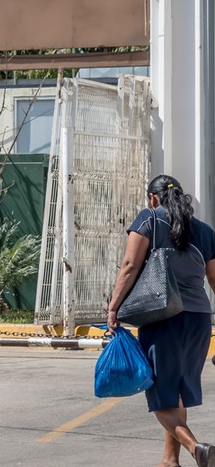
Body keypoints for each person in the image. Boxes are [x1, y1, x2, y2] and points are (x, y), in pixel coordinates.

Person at [108, 175, 215, 467]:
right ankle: (169, 460)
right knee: (176, 392)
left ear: (153, 199)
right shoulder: (204, 231)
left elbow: (129, 265)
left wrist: (113, 306)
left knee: (160, 397)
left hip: (163, 316)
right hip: (199, 320)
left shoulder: (149, 218)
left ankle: (198, 449)